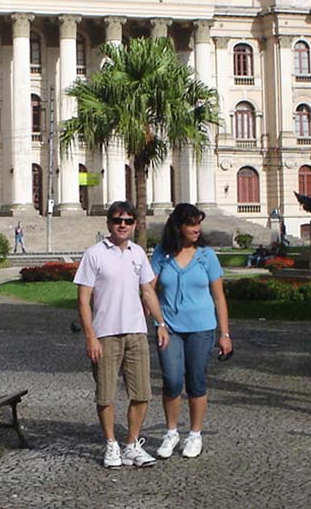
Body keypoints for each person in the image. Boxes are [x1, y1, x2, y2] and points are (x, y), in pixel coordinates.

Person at [74, 201, 169, 469]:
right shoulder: (94, 254)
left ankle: (131, 444)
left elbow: (148, 291)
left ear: (135, 224)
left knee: (142, 394)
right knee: (105, 395)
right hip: (105, 334)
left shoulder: (138, 253)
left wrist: (161, 323)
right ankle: (111, 444)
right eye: (118, 220)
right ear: (108, 223)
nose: (123, 225)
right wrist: (90, 336)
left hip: (136, 332)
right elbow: (83, 300)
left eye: (128, 220)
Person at [149, 202, 232, 460]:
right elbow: (148, 290)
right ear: (178, 226)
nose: (197, 229)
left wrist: (225, 334)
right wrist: (156, 322)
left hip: (202, 328)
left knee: (196, 380)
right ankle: (171, 431)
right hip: (169, 328)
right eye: (191, 224)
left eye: (198, 224)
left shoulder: (207, 255)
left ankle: (195, 434)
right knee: (172, 380)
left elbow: (219, 297)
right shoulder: (162, 254)